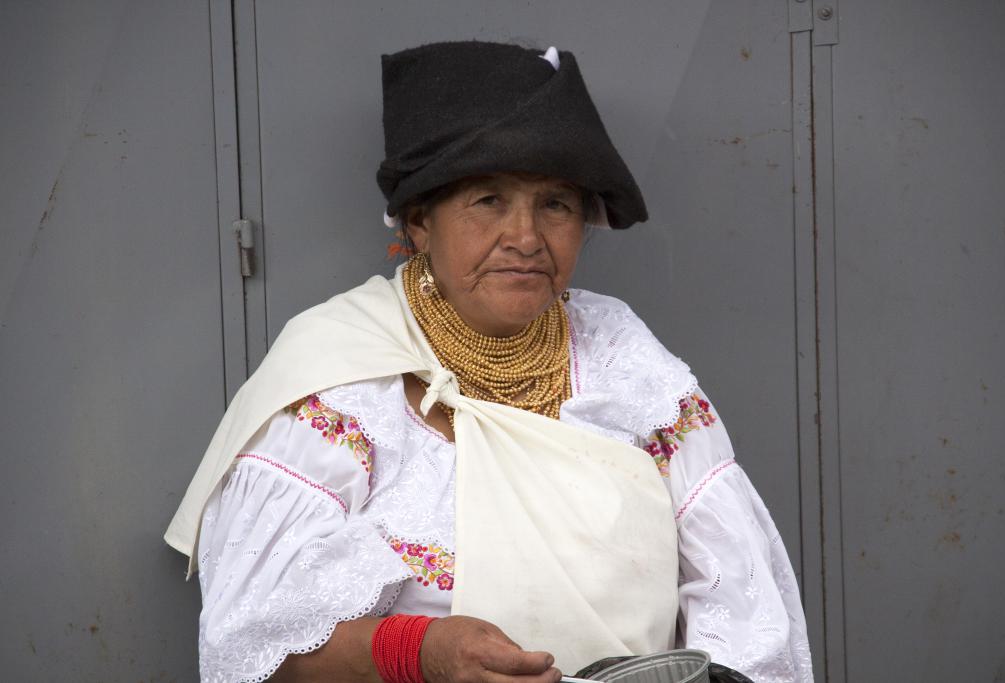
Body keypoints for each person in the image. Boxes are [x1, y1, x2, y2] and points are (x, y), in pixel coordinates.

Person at [165, 41, 814, 683]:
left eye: (555, 204)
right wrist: (417, 650)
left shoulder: (624, 357)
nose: (526, 238)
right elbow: (255, 640)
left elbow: (739, 596)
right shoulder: (344, 375)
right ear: (420, 220)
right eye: (488, 200)